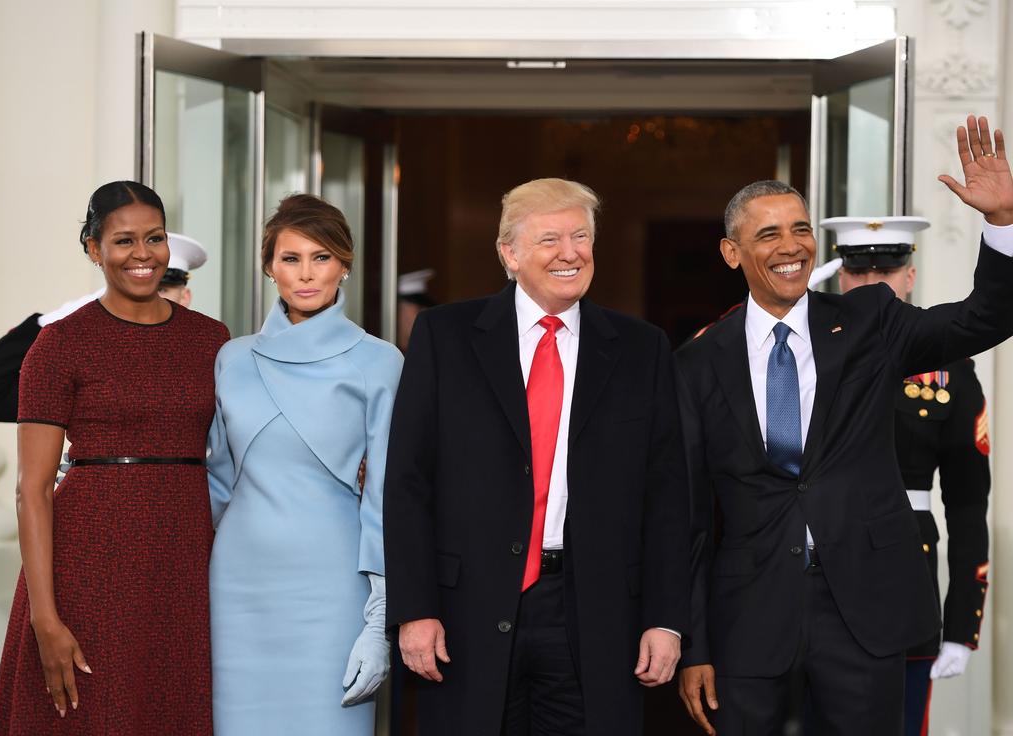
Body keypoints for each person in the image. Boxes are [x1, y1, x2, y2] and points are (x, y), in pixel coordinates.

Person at [674, 115, 1013, 736]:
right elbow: (690, 517)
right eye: (769, 234)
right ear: (733, 252)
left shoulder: (869, 322)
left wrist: (1002, 225)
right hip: (748, 619)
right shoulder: (697, 361)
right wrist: (693, 643)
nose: (791, 246)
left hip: (863, 611)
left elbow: (979, 321)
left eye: (801, 229)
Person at [384, 178, 690, 736]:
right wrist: (414, 608)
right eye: (550, 238)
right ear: (510, 253)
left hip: (596, 613)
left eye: (581, 236)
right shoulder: (445, 336)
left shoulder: (641, 349)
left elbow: (667, 496)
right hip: (465, 612)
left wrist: (665, 620)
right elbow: (408, 481)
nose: (570, 252)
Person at [0, 181, 229, 735]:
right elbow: (32, 488)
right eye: (123, 241)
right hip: (88, 560)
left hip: (184, 561)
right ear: (94, 249)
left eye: (155, 238)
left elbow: (245, 443)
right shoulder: (58, 345)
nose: (142, 254)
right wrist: (44, 618)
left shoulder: (212, 340)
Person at [207, 193, 403, 735]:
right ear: (269, 266)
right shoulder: (233, 357)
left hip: (334, 588)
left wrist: (379, 618)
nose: (307, 274)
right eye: (290, 258)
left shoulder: (379, 361)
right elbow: (214, 483)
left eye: (322, 257)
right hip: (236, 588)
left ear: (345, 264)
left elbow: (386, 496)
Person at [816, 215, 991, 736]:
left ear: (910, 277)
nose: (872, 285)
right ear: (840, 276)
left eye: (887, 271)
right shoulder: (803, 352)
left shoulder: (950, 368)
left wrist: (962, 624)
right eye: (858, 272)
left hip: (904, 578)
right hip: (815, 571)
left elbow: (966, 502)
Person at [0, 232, 210, 423]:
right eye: (132, 288)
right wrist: (50, 322)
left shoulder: (208, 352)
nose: (146, 298)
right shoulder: (90, 365)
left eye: (161, 289)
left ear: (185, 297)